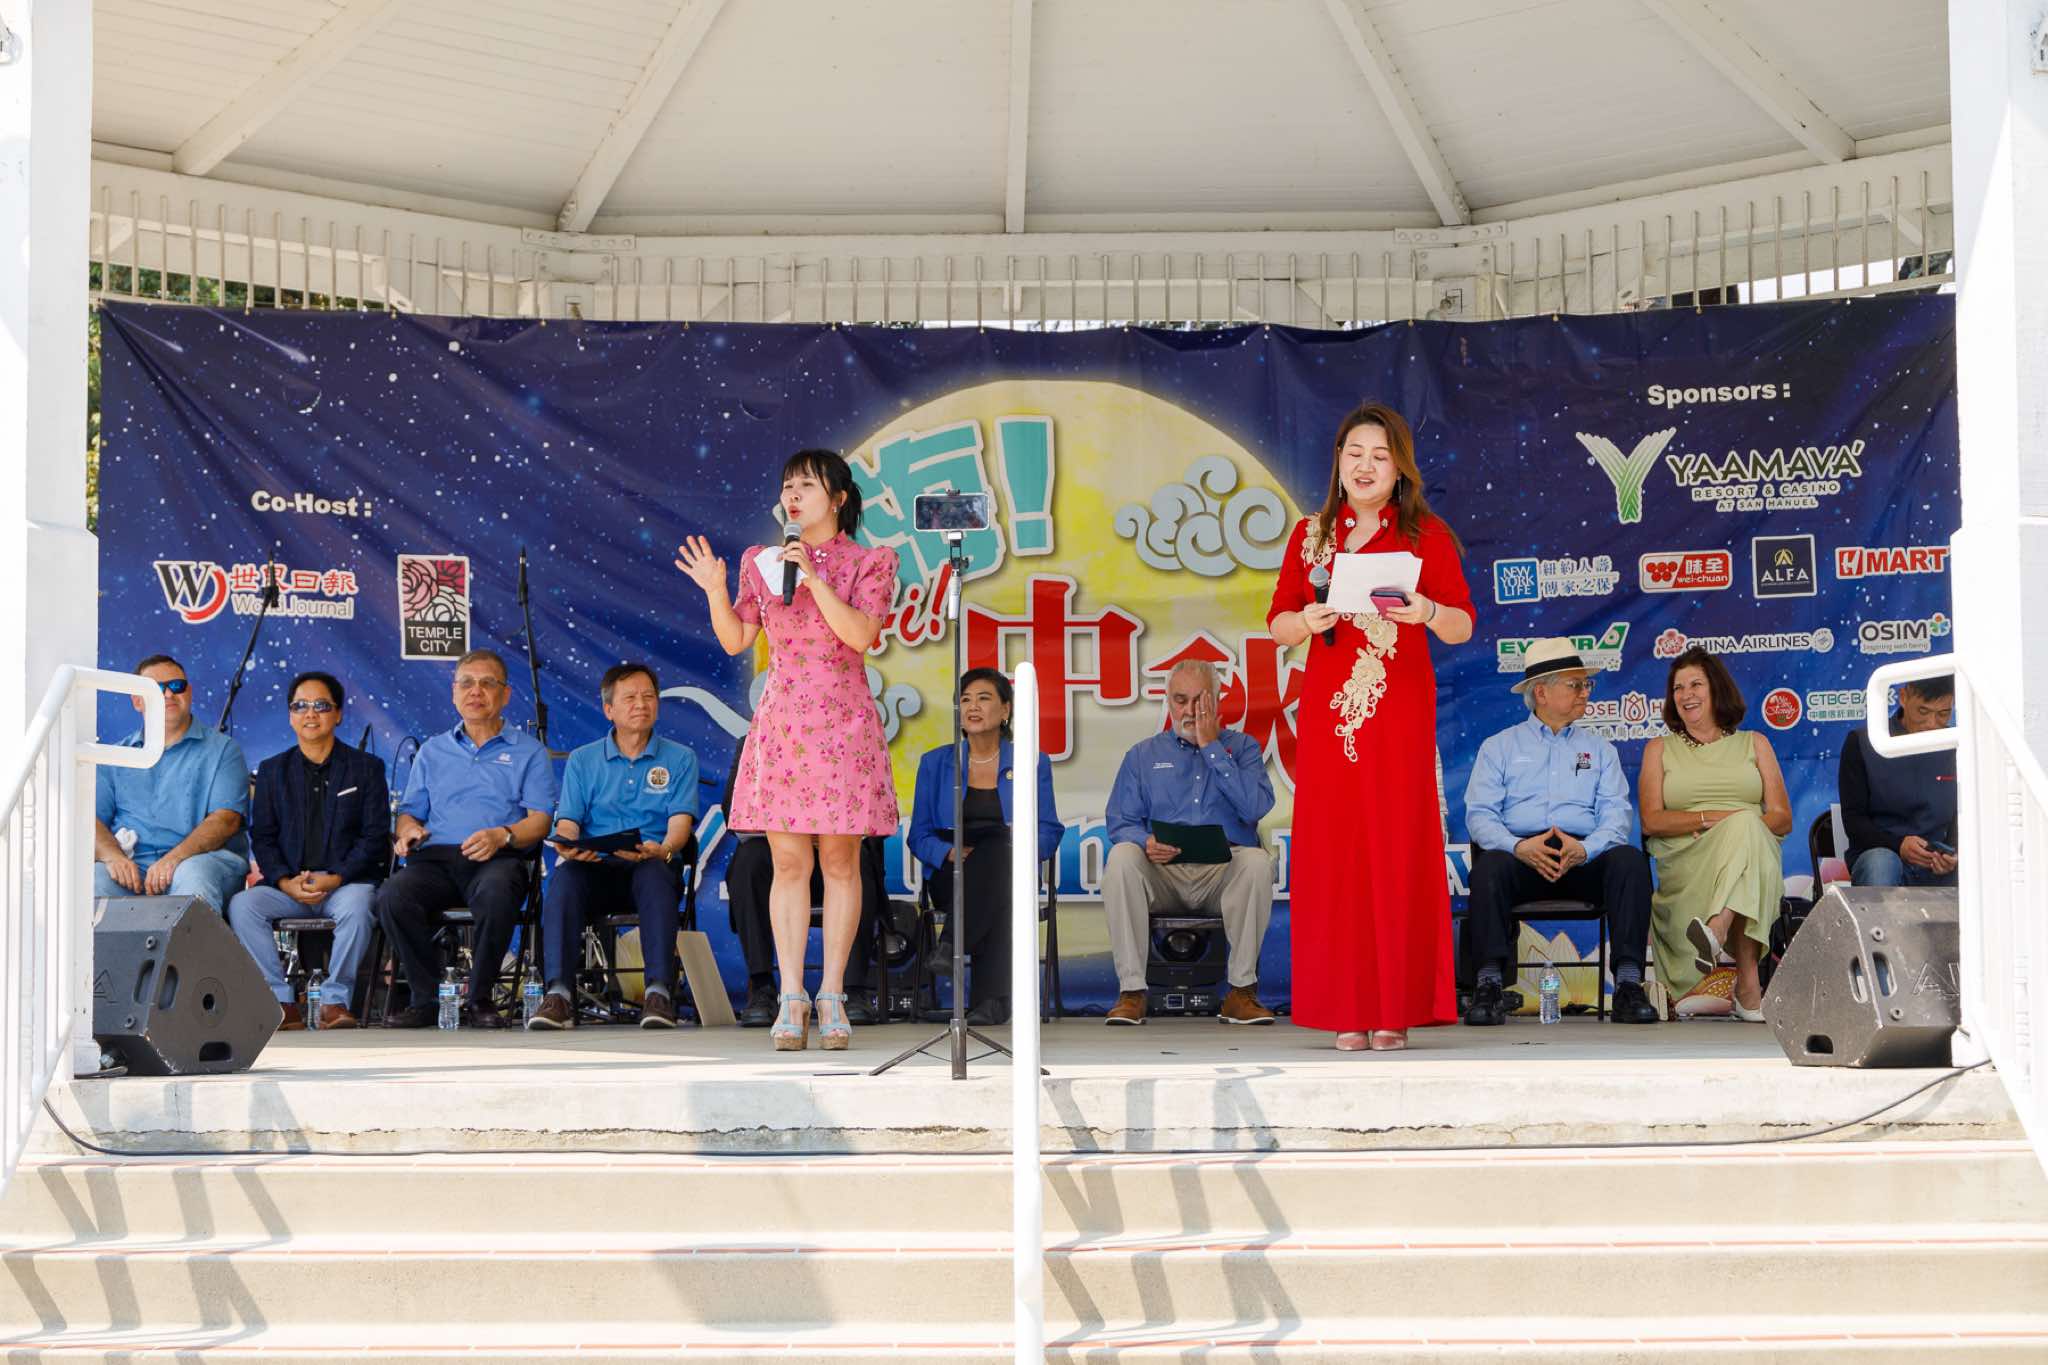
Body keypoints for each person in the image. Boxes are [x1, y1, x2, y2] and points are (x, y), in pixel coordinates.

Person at [1266, 402, 1475, 1051]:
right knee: (1336, 858)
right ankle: (1344, 1008)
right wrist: (1306, 621)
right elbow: (1277, 622)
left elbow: (1463, 624)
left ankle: (1394, 1009)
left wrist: (1427, 610)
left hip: (1396, 715)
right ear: (1337, 461)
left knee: (1393, 850)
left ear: (1399, 468)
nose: (1365, 466)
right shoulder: (1310, 536)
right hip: (1329, 718)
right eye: (1354, 453)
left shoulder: (1423, 535)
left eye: (1379, 456)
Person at [674, 448, 899, 1051]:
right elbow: (736, 639)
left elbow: (860, 635)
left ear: (839, 499)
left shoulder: (871, 562)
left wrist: (816, 579)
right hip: (784, 726)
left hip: (843, 725)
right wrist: (716, 590)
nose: (792, 496)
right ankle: (792, 995)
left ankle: (833, 994)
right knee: (789, 864)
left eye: (806, 486)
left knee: (841, 863)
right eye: (787, 486)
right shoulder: (761, 561)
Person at [1461, 639, 1659, 1026]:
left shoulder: (1600, 750)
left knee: (1630, 863)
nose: (1585, 692)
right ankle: (1488, 986)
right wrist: (1518, 846)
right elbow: (1480, 816)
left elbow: (1617, 813)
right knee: (1489, 869)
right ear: (1541, 692)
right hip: (1521, 857)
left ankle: (1628, 985)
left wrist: (1587, 849)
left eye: (1586, 684)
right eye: (1575, 684)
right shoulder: (1498, 747)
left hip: (1583, 858)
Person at [375, 649, 559, 1029]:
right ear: (454, 692)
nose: (476, 691)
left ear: (505, 694)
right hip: (436, 860)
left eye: (487, 683)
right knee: (392, 895)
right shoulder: (432, 750)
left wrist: (503, 835)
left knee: (497, 892)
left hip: (497, 856)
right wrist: (408, 829)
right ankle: (427, 999)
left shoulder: (529, 752)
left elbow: (541, 820)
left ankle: (479, 998)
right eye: (467, 683)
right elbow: (410, 812)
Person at [1100, 659, 1277, 1026]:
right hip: (1163, 875)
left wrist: (1212, 747)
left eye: (1201, 700)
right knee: (1122, 857)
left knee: (1258, 862)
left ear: (1218, 701)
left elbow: (1256, 807)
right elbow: (1120, 821)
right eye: (1181, 700)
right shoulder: (1143, 755)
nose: (1191, 710)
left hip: (1222, 874)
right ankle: (1132, 992)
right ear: (1168, 701)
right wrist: (1145, 841)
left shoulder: (1242, 748)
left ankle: (1241, 992)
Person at [527, 663, 699, 1031]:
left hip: (650, 862)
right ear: (609, 709)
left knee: (656, 874)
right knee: (565, 878)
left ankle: (659, 994)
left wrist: (665, 849)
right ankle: (558, 994)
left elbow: (679, 827)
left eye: (648, 696)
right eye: (630, 698)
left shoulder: (680, 757)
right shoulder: (583, 759)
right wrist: (568, 845)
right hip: (597, 865)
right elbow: (568, 820)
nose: (641, 704)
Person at [227, 671, 389, 1030]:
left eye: (321, 706)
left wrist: (337, 877)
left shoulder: (366, 769)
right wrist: (285, 882)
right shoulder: (272, 771)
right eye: (300, 706)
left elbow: (375, 836)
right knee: (243, 906)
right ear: (290, 715)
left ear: (338, 714)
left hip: (344, 885)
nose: (310, 713)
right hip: (291, 888)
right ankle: (280, 1002)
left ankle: (335, 1001)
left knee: (359, 905)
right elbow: (263, 836)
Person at [1639, 647, 1792, 1020]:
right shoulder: (1659, 749)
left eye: (1696, 685)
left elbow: (1782, 818)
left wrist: (1738, 828)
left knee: (1747, 835)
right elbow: (1651, 821)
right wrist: (1712, 820)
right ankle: (1748, 988)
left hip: (1750, 850)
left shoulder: (1755, 743)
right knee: (1745, 830)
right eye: (1678, 688)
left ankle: (1717, 928)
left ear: (1716, 689)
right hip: (1688, 858)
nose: (1686, 695)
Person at [908, 668, 1062, 1025]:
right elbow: (919, 835)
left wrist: (1023, 853)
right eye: (965, 700)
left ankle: (952, 943)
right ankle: (990, 1002)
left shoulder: (1031, 761)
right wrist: (947, 852)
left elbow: (1049, 829)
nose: (972, 707)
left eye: (983, 698)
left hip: (1009, 866)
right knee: (1002, 875)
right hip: (952, 873)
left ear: (1006, 710)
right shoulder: (936, 763)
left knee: (1001, 853)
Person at [719, 737, 882, 1029]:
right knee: (748, 862)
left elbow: (865, 808)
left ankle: (850, 989)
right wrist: (797, 828)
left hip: (832, 850)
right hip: (780, 854)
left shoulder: (847, 734)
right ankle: (764, 987)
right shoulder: (759, 738)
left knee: (857, 861)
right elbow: (736, 810)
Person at [94, 654, 250, 915]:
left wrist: (174, 859)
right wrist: (113, 856)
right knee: (94, 879)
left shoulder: (224, 750)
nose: (168, 694)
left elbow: (226, 820)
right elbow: (92, 821)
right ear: (137, 701)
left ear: (189, 692)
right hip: (133, 867)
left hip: (198, 860)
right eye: (156, 688)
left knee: (194, 874)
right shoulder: (116, 756)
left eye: (176, 686)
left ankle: (191, 945)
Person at [1840, 674, 1958, 887]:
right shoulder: (1863, 742)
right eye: (1923, 711)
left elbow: (1968, 813)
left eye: (1943, 714)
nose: (1932, 724)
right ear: (1903, 697)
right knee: (1882, 863)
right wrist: (1898, 845)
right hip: (1881, 856)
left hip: (1937, 863)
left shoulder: (1958, 744)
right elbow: (1854, 820)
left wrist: (1953, 854)